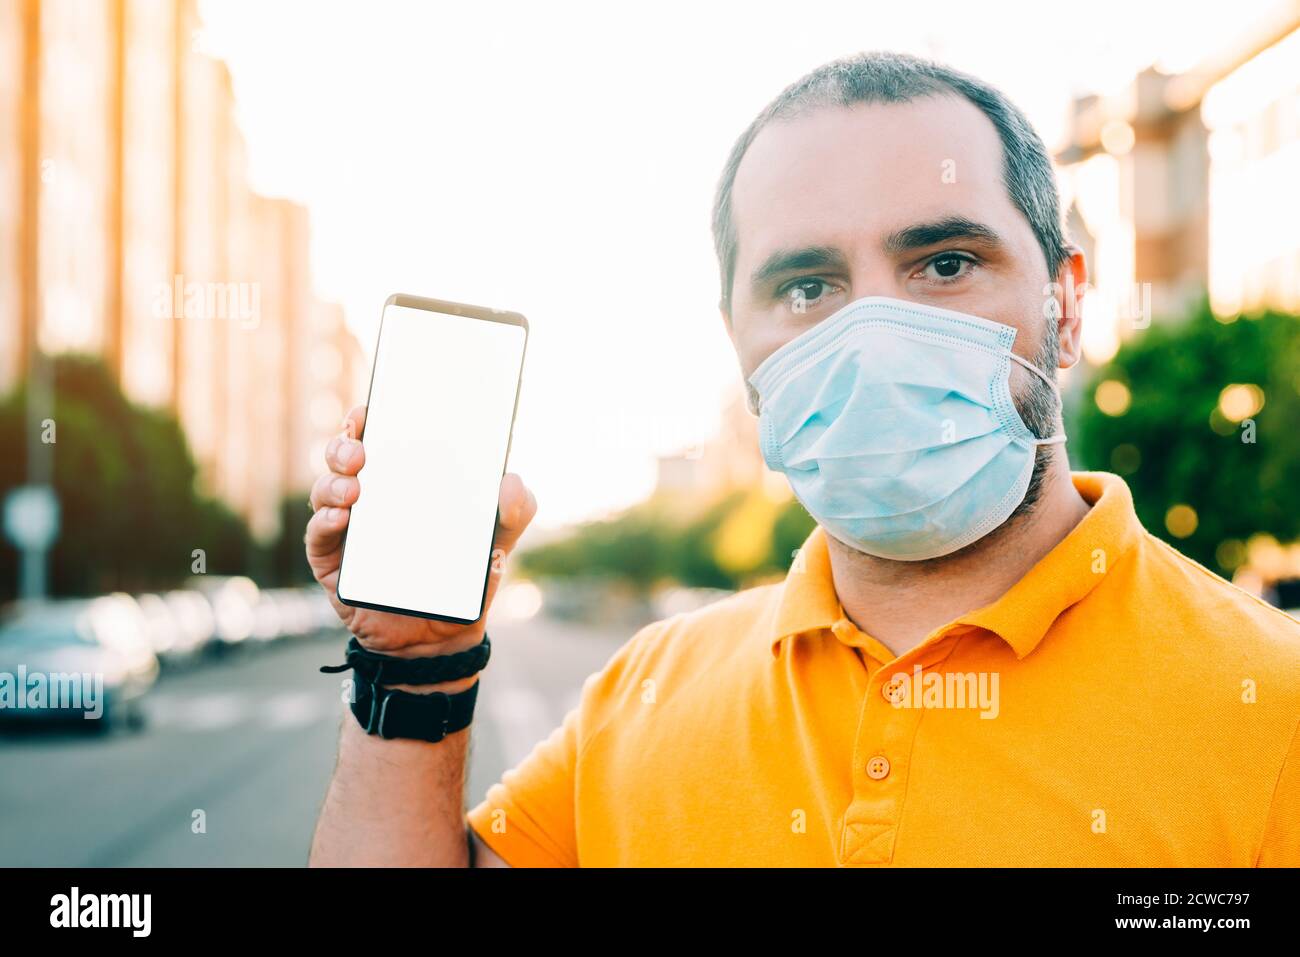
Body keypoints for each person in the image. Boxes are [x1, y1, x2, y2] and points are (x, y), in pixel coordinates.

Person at [305, 51, 1300, 867]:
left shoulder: (1274, 708)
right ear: (736, 343)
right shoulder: (643, 696)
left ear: (1067, 304)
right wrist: (415, 664)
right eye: (807, 286)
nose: (875, 339)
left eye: (945, 264)